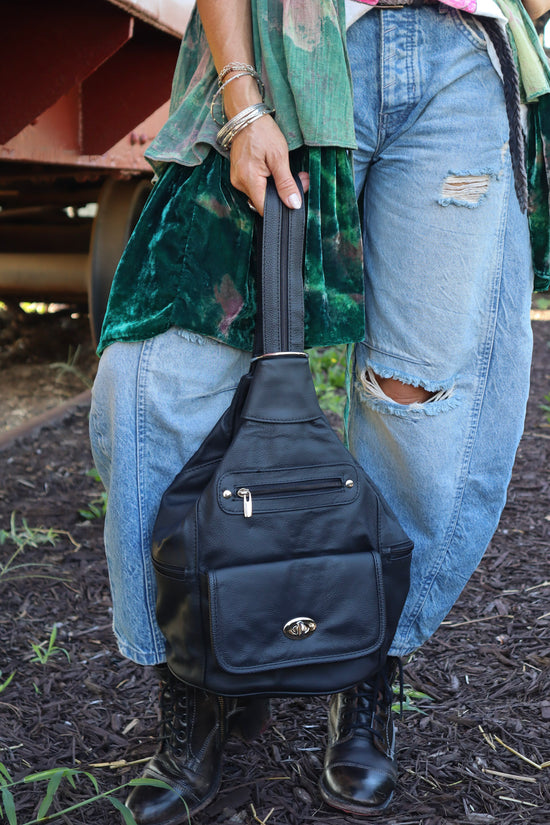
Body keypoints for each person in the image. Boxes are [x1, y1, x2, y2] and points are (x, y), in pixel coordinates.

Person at [89, 0, 550, 821]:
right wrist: (241, 96)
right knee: (156, 377)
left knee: (422, 396)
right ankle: (197, 673)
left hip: (458, 61)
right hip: (278, 46)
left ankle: (360, 663)